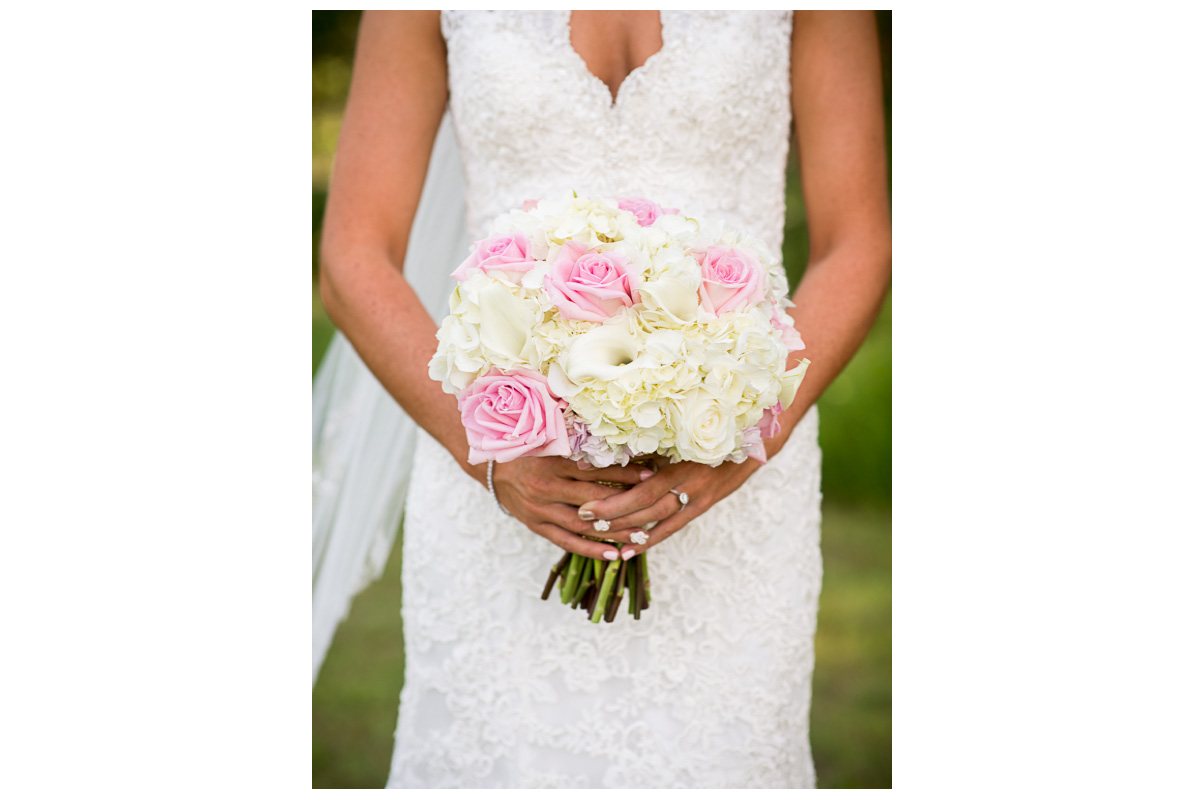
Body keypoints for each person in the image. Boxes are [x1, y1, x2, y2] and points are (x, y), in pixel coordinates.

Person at [314, 10, 890, 789]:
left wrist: (746, 431)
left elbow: (860, 240)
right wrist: (487, 451)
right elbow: (353, 253)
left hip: (738, 477)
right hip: (498, 471)